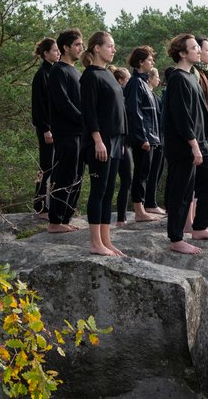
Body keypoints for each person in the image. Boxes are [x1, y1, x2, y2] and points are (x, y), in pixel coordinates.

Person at [162, 34, 208, 254]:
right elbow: (181, 116)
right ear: (182, 53)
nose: (198, 50)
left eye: (198, 47)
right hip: (185, 145)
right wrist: (194, 145)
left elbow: (200, 114)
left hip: (202, 142)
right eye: (194, 47)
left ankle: (199, 228)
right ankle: (176, 238)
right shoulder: (178, 78)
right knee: (183, 190)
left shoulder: (191, 77)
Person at [79, 31, 128, 256]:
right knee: (98, 191)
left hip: (117, 140)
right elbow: (89, 112)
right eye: (110, 45)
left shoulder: (108, 73)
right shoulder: (90, 76)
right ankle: (94, 243)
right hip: (101, 141)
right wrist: (97, 140)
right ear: (97, 48)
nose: (113, 49)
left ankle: (106, 241)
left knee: (109, 191)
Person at [47, 29, 85, 233]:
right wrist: (83, 119)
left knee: (77, 175)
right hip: (66, 133)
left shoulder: (76, 71)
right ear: (66, 47)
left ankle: (66, 218)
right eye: (78, 44)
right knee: (64, 175)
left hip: (80, 133)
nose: (81, 48)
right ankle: (55, 221)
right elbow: (63, 103)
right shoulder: (58, 71)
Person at [123, 46, 163, 223]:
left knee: (146, 173)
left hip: (152, 137)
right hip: (144, 138)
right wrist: (142, 137)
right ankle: (139, 210)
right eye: (149, 59)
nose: (152, 62)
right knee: (140, 173)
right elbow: (134, 112)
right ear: (140, 62)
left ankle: (145, 206)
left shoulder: (144, 84)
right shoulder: (135, 83)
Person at [31, 38, 60, 218]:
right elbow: (39, 107)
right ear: (46, 53)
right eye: (55, 50)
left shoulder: (54, 72)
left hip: (56, 127)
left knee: (53, 167)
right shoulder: (42, 74)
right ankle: (40, 205)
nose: (58, 53)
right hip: (46, 129)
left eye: (58, 50)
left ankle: (48, 204)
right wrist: (46, 129)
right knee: (46, 166)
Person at [110, 66, 135, 226]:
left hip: (124, 143)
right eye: (127, 79)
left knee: (126, 179)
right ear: (120, 80)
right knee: (119, 180)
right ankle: (118, 218)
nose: (130, 82)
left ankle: (121, 217)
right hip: (117, 143)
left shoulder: (123, 95)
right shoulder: (118, 95)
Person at [144, 67, 166, 214]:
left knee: (156, 172)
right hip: (151, 138)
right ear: (150, 78)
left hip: (158, 138)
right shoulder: (147, 94)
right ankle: (149, 203)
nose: (158, 79)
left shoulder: (154, 96)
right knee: (150, 172)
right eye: (157, 76)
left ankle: (151, 202)